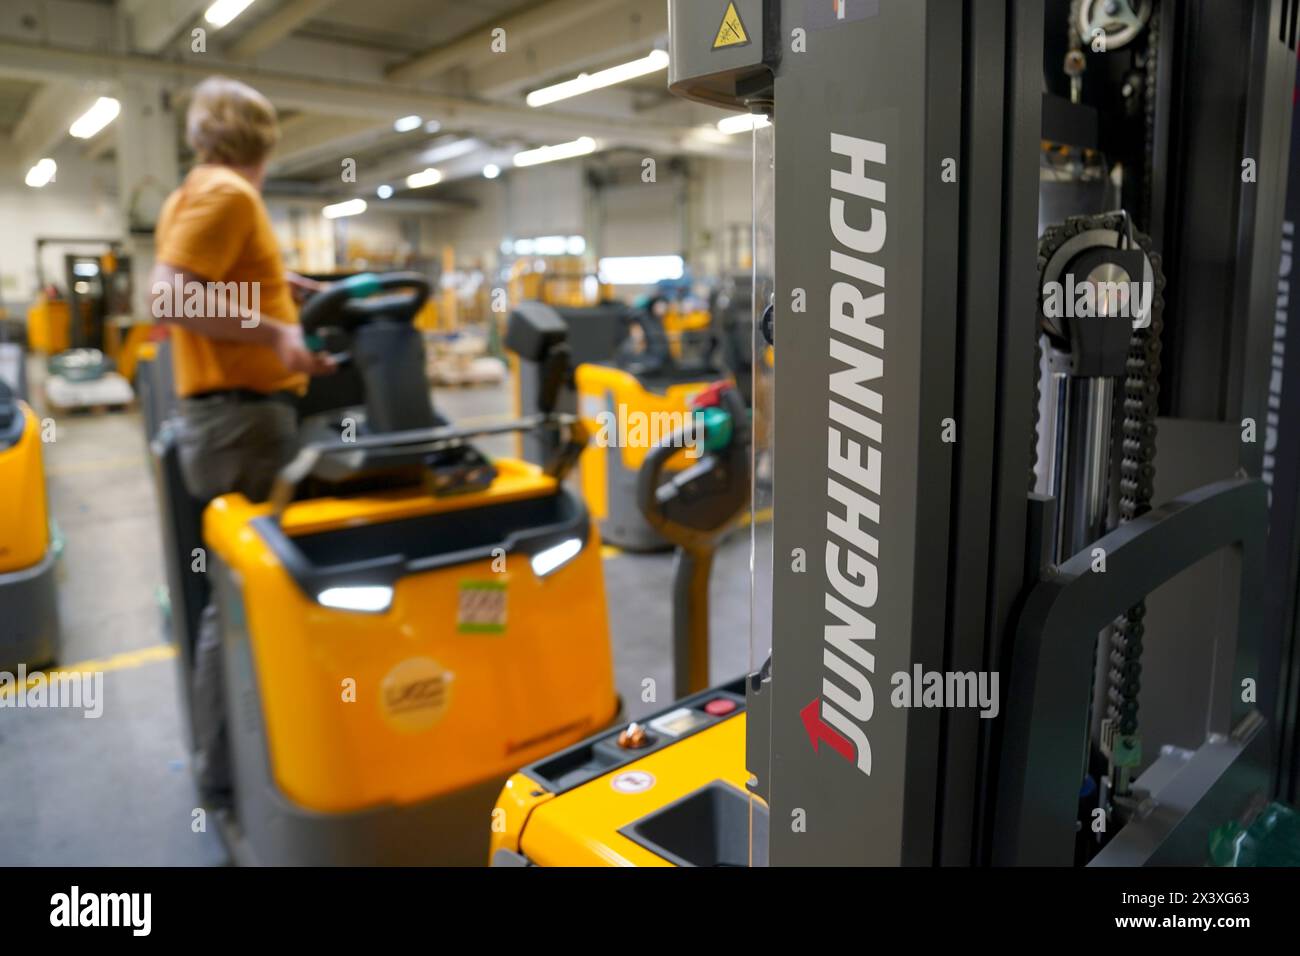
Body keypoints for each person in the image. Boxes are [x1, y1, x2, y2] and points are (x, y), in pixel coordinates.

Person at [150, 76, 335, 803]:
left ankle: (227, 761)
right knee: (250, 594)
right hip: (244, 423)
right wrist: (279, 333)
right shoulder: (230, 194)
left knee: (235, 589)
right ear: (265, 136)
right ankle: (235, 770)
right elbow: (170, 296)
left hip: (228, 420)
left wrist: (283, 286)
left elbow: (214, 278)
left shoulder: (194, 192)